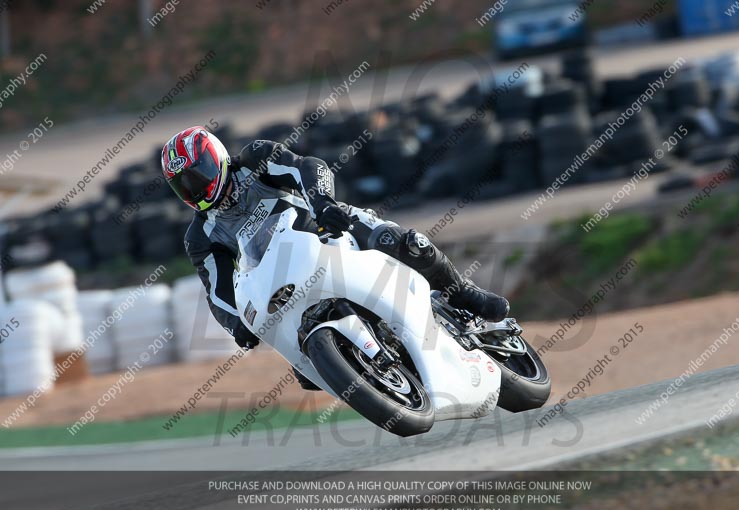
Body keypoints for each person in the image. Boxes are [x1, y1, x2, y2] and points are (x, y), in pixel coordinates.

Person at [161, 126, 509, 387]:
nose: (195, 188)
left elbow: (307, 167)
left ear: (216, 156)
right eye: (185, 185)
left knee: (403, 241)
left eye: (198, 174)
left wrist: (323, 203)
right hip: (285, 283)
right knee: (306, 375)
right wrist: (236, 323)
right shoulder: (200, 236)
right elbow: (218, 291)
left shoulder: (254, 159)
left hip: (328, 231)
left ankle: (461, 292)